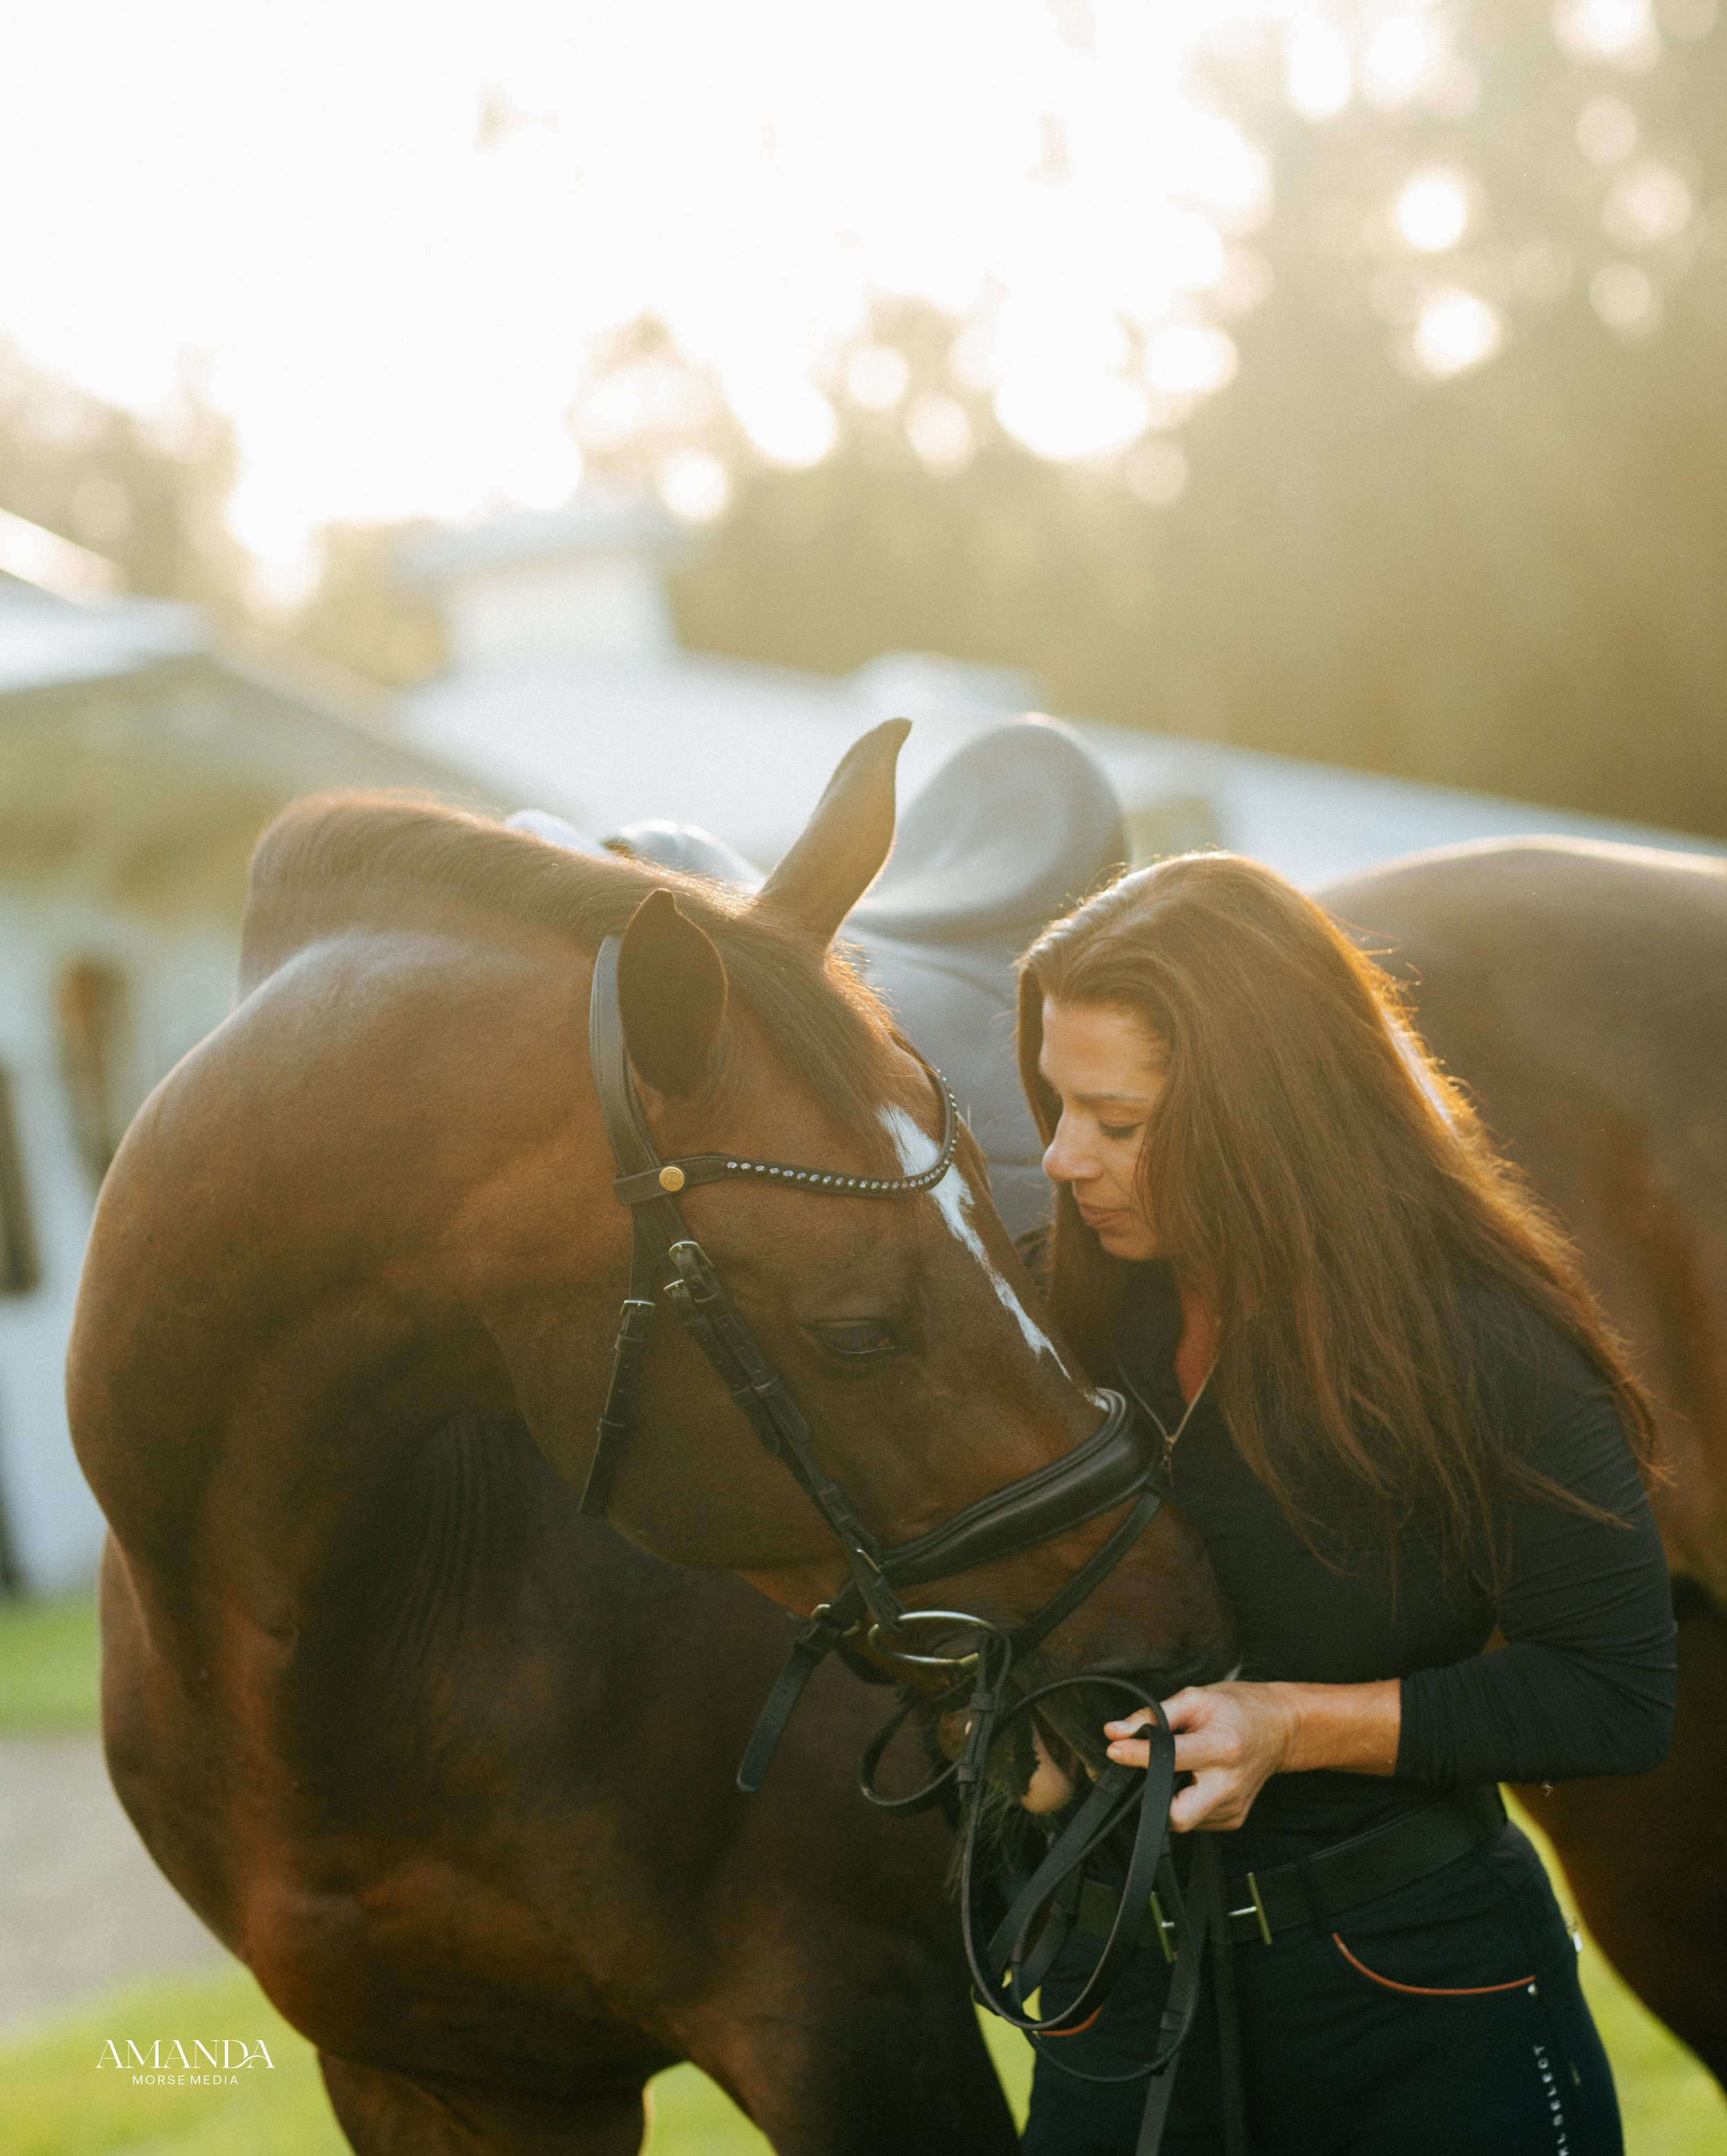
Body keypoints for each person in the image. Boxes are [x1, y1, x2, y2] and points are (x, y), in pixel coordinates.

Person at [1011, 852, 1676, 2156]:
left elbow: (1613, 1688)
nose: (1061, 1153)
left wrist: (1292, 1726)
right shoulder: (1053, 1322)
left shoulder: (1482, 1340)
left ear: (1269, 1112)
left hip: (1420, 1996)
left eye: (1120, 1120)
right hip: (1123, 2011)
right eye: (1057, 1102)